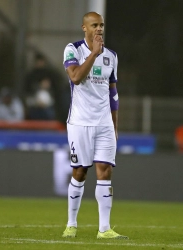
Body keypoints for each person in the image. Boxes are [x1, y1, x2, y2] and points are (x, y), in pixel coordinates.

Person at [61, 12, 128, 240]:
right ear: (84, 28)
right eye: (94, 25)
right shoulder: (73, 50)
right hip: (80, 122)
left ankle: (104, 229)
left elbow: (113, 93)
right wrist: (94, 54)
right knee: (80, 172)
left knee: (105, 170)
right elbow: (76, 77)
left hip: (104, 123)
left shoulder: (112, 56)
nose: (99, 29)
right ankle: (71, 224)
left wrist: (115, 126)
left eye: (101, 25)